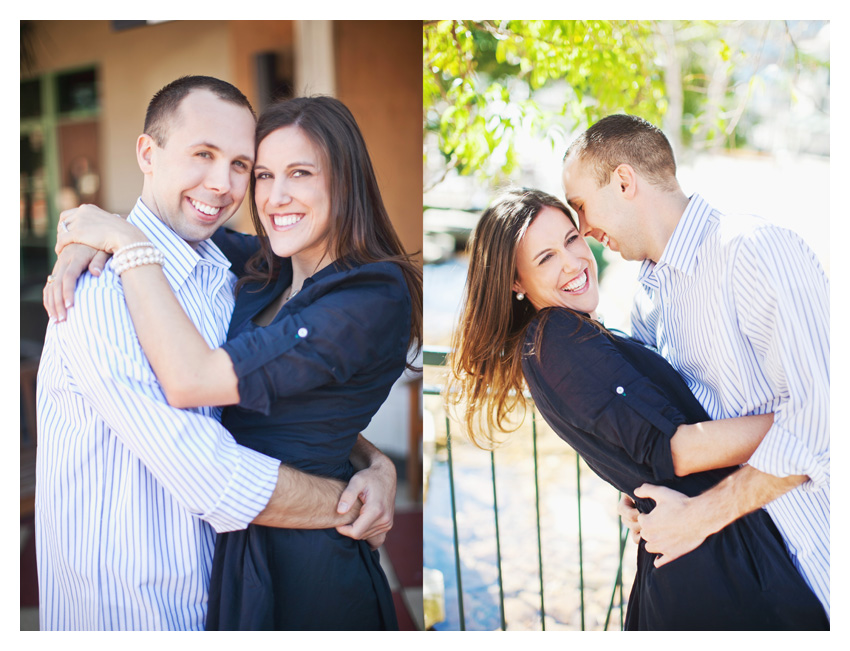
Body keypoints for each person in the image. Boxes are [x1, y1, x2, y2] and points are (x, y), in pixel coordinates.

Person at [37, 76, 399, 631]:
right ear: (147, 154)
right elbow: (210, 474)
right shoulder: (104, 292)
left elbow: (280, 400)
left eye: (238, 165)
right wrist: (350, 502)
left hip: (237, 590)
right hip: (135, 615)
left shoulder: (231, 276)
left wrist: (375, 464)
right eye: (203, 155)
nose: (225, 185)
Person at [447, 188, 827, 629]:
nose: (573, 261)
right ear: (515, 281)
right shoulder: (555, 336)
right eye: (546, 258)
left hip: (705, 546)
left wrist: (632, 483)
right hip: (714, 568)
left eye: (572, 239)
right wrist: (809, 417)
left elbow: (636, 440)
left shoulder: (559, 339)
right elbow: (676, 448)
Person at [561, 114, 829, 618]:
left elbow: (826, 418)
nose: (584, 230)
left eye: (580, 206)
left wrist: (700, 516)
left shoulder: (754, 250)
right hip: (731, 579)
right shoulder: (645, 294)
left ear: (623, 181)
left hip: (813, 572)